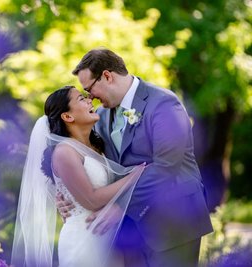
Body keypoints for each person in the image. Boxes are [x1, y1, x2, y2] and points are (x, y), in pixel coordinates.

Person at [57, 48, 214, 266]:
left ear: (107, 76)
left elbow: (168, 166)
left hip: (174, 220)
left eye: (90, 90)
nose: (90, 98)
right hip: (128, 232)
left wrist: (121, 205)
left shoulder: (163, 104)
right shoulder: (100, 116)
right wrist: (71, 196)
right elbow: (97, 163)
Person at [11, 86, 145, 267]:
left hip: (110, 238)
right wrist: (135, 176)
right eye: (81, 99)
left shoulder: (97, 146)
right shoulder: (64, 152)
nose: (90, 100)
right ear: (67, 116)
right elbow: (91, 200)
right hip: (84, 241)